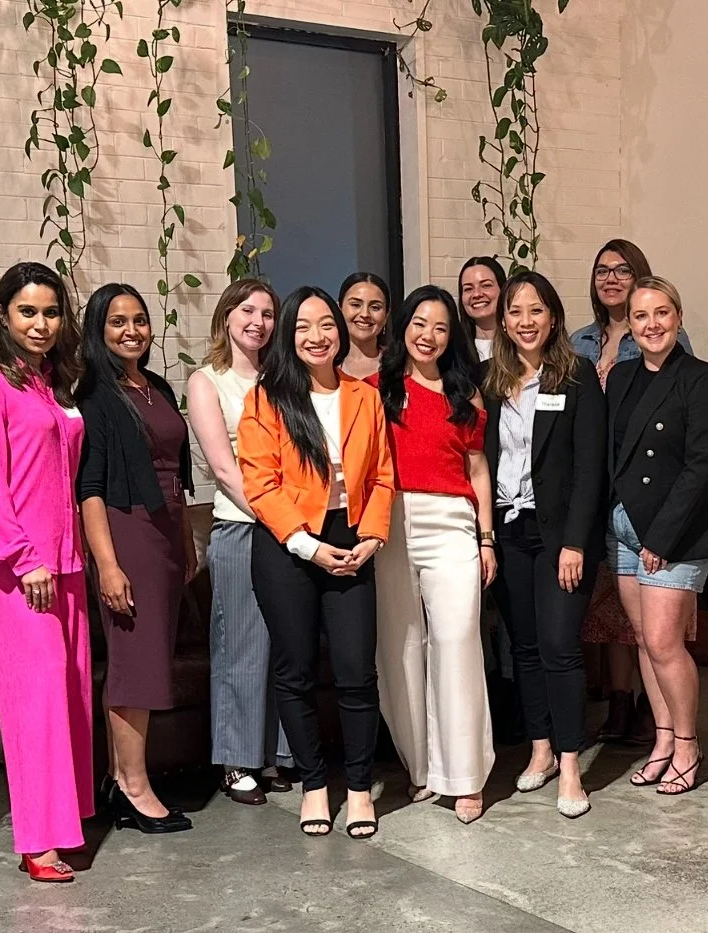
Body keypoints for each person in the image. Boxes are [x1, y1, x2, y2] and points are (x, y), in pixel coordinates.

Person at [238, 286, 394, 839]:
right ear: (288, 334)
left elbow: (382, 476)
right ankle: (313, 786)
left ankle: (359, 788)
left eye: (326, 324)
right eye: (303, 326)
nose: (316, 336)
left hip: (351, 537)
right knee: (296, 672)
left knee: (356, 671)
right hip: (289, 547)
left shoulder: (363, 396)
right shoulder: (267, 399)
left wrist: (372, 537)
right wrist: (308, 546)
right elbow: (261, 484)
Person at [0, 262, 92, 882]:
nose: (41, 323)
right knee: (35, 701)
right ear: (3, 315)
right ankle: (37, 841)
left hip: (65, 561)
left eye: (51, 312)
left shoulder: (51, 383)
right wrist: (24, 556)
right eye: (28, 312)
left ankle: (66, 823)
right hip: (19, 568)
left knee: (69, 692)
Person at [368, 285, 496, 824]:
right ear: (403, 328)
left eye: (441, 327)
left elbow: (478, 469)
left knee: (457, 639)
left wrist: (486, 538)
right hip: (392, 522)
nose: (429, 335)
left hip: (452, 523)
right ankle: (420, 767)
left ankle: (464, 777)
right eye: (420, 323)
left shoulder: (466, 395)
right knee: (400, 646)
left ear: (451, 337)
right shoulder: (376, 390)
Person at [483, 270, 605, 818]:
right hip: (508, 529)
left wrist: (575, 543)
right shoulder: (491, 381)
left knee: (559, 645)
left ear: (553, 318)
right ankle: (541, 750)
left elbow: (590, 468)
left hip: (559, 536)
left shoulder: (576, 376)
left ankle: (572, 764)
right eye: (515, 311)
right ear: (503, 322)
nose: (525, 321)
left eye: (536, 310)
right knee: (525, 647)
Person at [76, 283, 195, 834]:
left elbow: (177, 473)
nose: (132, 331)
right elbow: (90, 489)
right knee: (136, 663)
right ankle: (134, 786)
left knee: (143, 659)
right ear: (98, 330)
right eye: (118, 321)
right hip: (127, 533)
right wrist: (108, 564)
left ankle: (117, 778)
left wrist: (186, 540)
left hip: (166, 531)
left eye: (140, 320)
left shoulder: (157, 387)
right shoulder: (95, 396)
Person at [605, 276, 708, 796]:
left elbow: (701, 467)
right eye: (641, 316)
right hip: (624, 526)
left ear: (678, 317)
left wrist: (661, 537)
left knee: (663, 642)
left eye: (661, 313)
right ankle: (661, 740)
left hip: (675, 532)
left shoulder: (700, 379)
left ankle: (687, 744)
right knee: (643, 641)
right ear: (629, 325)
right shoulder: (622, 377)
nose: (652, 324)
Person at [572, 239, 695, 746]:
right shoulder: (579, 340)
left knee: (655, 626)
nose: (611, 279)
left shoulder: (668, 343)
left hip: (650, 496)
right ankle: (621, 701)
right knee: (614, 615)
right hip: (602, 489)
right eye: (602, 270)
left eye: (623, 270)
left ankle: (658, 713)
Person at [186, 279, 292, 805]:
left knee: (284, 644)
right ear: (227, 316)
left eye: (268, 313)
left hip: (291, 530)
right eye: (247, 310)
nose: (258, 322)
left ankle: (274, 754)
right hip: (243, 526)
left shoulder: (284, 376)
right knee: (241, 647)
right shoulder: (207, 381)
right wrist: (278, 518)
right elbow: (224, 469)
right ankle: (236, 761)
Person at [339, 272, 390, 379]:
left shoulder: (399, 367)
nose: (365, 314)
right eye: (356, 305)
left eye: (375, 307)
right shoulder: (325, 365)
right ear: (339, 309)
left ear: (386, 315)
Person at [458, 257, 506, 363]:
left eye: (486, 285)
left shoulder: (521, 345)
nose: (477, 294)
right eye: (468, 289)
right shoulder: (453, 351)